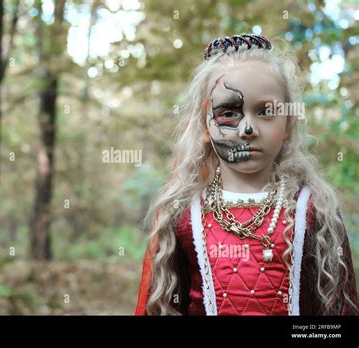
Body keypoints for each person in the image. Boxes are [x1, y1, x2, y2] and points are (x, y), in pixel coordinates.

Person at [135, 34, 358, 315]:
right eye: (228, 113)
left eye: (265, 111)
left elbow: (340, 308)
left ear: (287, 124)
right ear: (205, 126)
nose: (247, 129)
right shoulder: (183, 215)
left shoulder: (314, 210)